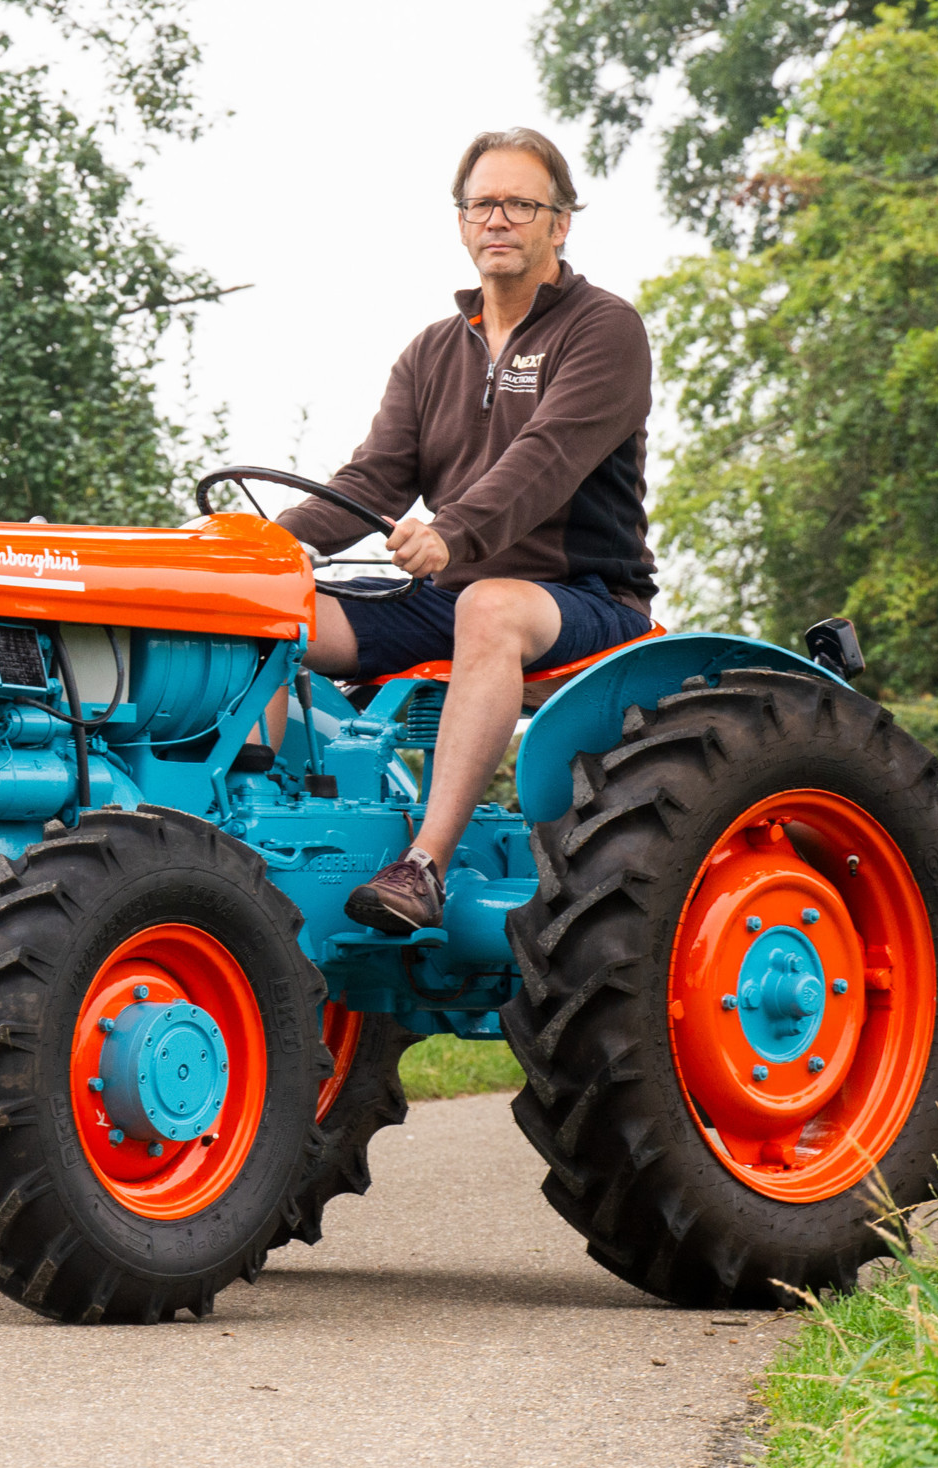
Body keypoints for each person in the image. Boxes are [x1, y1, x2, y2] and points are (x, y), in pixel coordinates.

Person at [276, 126, 659, 934]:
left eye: (522, 204)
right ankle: (257, 838)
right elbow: (371, 479)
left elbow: (545, 460)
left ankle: (424, 866)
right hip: (449, 592)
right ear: (460, 222)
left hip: (581, 597)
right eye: (483, 204)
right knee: (269, 608)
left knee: (489, 603)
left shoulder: (604, 329)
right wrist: (269, 547)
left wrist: (451, 532)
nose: (499, 220)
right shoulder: (431, 352)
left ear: (560, 223)